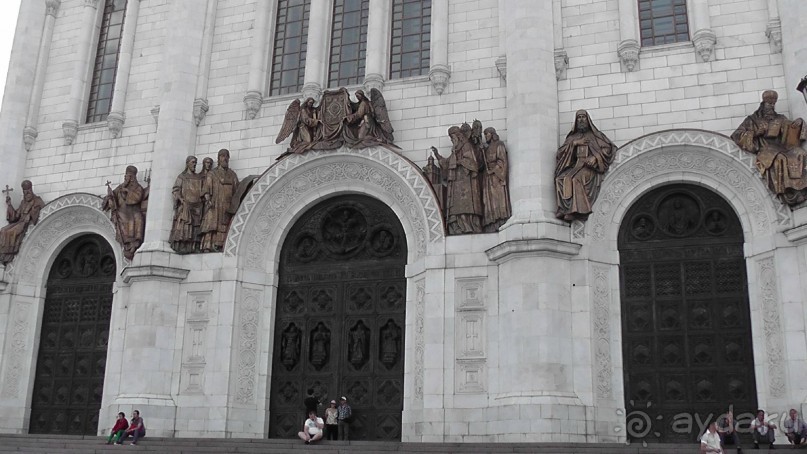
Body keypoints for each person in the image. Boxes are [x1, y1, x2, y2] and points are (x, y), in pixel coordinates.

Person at [731, 90, 807, 206]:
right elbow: (736, 135)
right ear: (763, 103)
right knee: (780, 158)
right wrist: (755, 133)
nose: (771, 106)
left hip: (782, 147)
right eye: (769, 104)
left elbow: (791, 130)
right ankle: (786, 190)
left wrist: (799, 123)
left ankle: (801, 189)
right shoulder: (752, 119)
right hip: (766, 150)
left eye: (773, 104)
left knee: (800, 152)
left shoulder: (780, 118)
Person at [555, 110, 616, 222]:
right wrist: (574, 144)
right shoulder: (572, 137)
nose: (581, 120)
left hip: (588, 167)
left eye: (583, 117)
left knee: (576, 179)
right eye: (579, 117)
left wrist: (595, 158)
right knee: (560, 179)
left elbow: (608, 148)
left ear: (588, 120)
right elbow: (561, 153)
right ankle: (564, 208)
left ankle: (575, 210)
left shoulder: (595, 135)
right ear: (576, 121)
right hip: (576, 165)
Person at [431, 126, 483, 234]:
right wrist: (437, 155)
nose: (451, 140)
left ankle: (468, 226)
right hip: (455, 182)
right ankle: (457, 226)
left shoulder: (466, 146)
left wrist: (459, 162)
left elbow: (472, 162)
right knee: (456, 205)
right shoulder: (455, 149)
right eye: (450, 138)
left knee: (465, 204)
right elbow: (447, 163)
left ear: (458, 136)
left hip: (466, 181)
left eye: (452, 137)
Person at [103, 166, 146, 260]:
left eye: (129, 176)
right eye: (126, 176)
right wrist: (110, 199)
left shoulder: (137, 187)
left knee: (138, 219)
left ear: (133, 177)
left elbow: (137, 198)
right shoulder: (120, 187)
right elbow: (111, 195)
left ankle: (133, 244)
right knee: (122, 220)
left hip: (133, 211)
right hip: (122, 212)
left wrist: (127, 191)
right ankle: (127, 243)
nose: (127, 178)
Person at [200, 149, 239, 252]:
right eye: (222, 156)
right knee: (212, 223)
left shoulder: (232, 174)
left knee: (224, 224)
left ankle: (221, 245)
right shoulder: (212, 174)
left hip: (227, 205)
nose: (225, 158)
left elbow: (237, 191)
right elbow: (206, 189)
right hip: (215, 204)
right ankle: (208, 246)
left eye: (226, 156)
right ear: (218, 158)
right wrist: (208, 200)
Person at [0, 180, 45, 264]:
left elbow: (41, 210)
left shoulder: (37, 200)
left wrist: (31, 215)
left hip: (25, 223)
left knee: (11, 232)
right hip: (19, 222)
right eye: (25, 191)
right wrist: (9, 205)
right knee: (3, 230)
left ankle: (8, 254)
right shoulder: (23, 202)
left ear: (31, 190)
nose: (27, 193)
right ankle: (2, 253)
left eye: (29, 191)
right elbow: (15, 216)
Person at [170, 156, 204, 254]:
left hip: (197, 206)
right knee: (185, 224)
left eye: (196, 163)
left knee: (196, 226)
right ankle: (182, 245)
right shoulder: (182, 177)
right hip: (186, 205)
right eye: (193, 162)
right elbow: (176, 190)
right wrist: (181, 199)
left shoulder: (198, 178)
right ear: (187, 163)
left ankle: (192, 245)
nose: (194, 164)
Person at [481, 127, 511, 232]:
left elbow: (502, 161)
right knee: (488, 200)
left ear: (492, 134)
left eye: (487, 134)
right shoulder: (487, 148)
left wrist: (494, 170)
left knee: (497, 198)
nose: (486, 137)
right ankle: (491, 221)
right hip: (488, 178)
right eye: (484, 135)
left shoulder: (499, 145)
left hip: (496, 177)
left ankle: (500, 219)